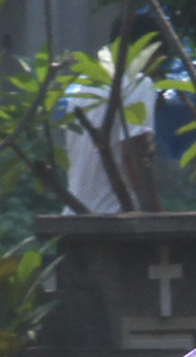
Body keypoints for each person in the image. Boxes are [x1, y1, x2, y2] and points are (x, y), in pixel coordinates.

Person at [59, 16, 164, 214]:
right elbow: (134, 154)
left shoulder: (83, 85)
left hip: (75, 214)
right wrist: (155, 213)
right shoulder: (139, 83)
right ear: (148, 50)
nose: (158, 65)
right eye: (158, 55)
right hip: (115, 216)